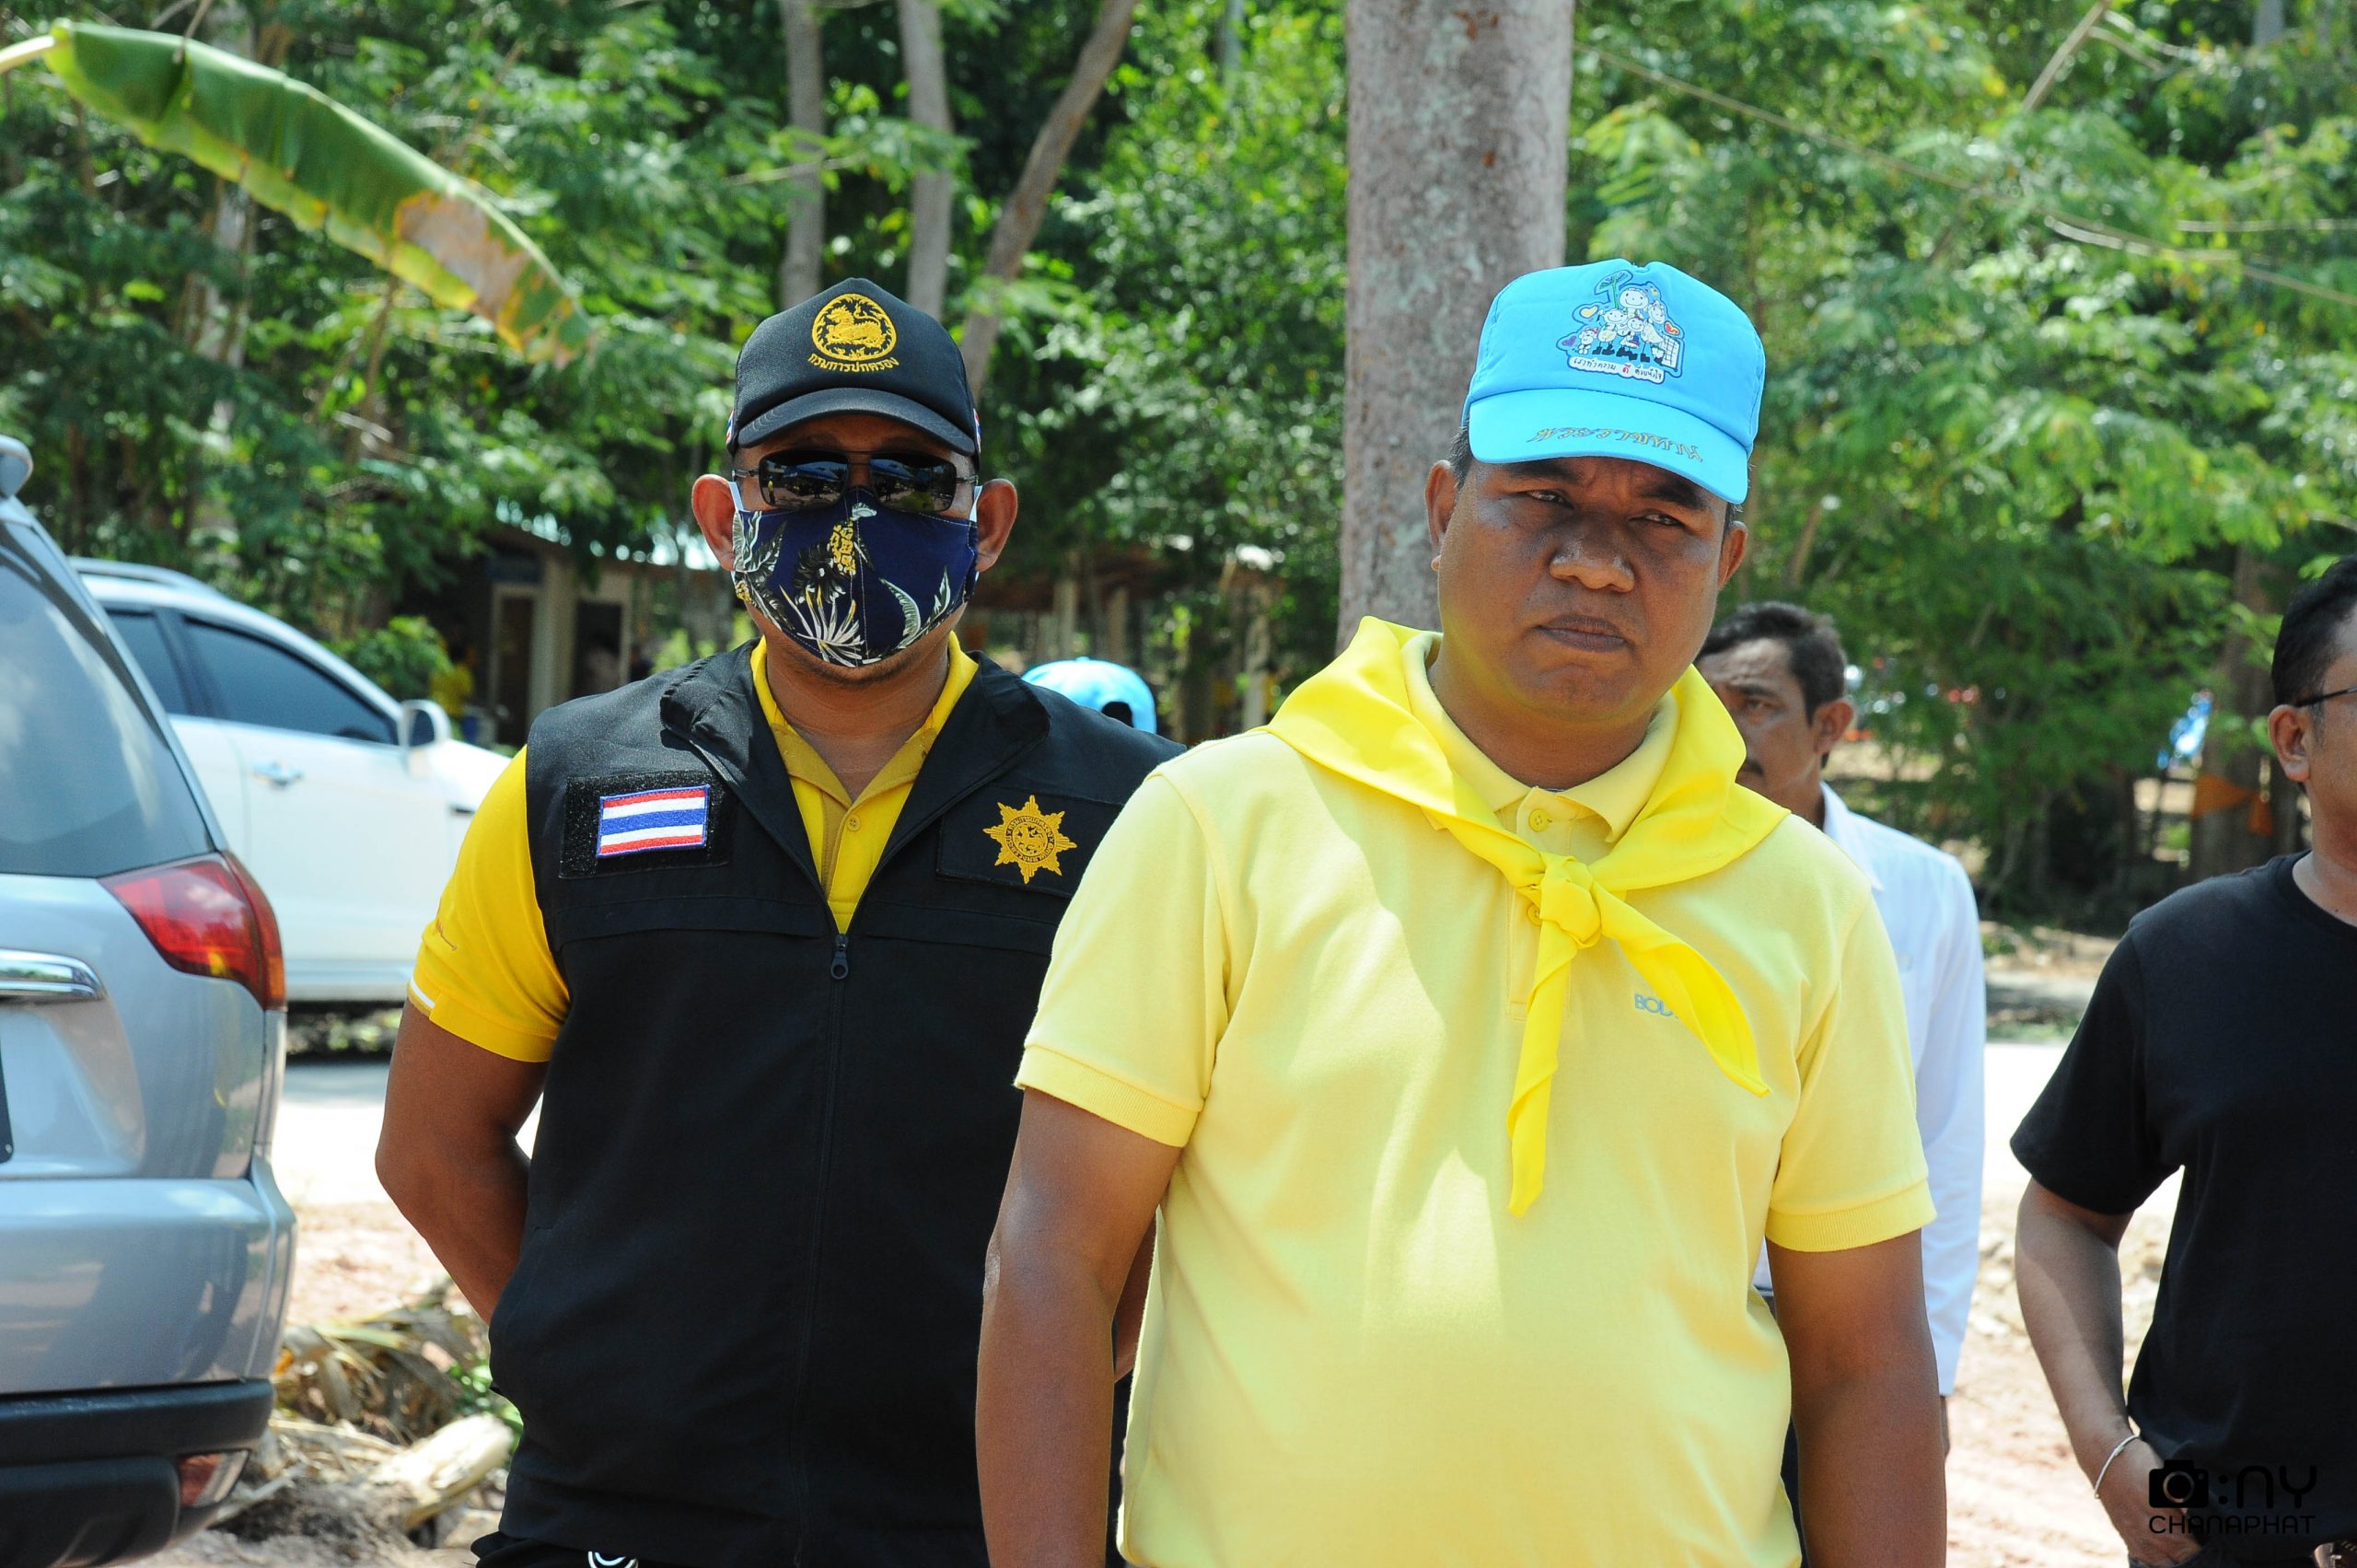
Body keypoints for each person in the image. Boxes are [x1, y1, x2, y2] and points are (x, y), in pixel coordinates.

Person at [977, 260, 1945, 1567]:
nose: (1595, 561)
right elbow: (1055, 1260)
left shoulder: (1807, 901)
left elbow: (1865, 1358)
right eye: (1544, 496)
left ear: (1726, 556)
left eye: (1663, 516)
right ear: (1443, 509)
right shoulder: (1222, 824)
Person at [374, 278, 1174, 1568]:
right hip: (617, 1518)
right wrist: (602, 1364)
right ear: (720, 516)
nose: (856, 511)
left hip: (977, 1520)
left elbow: (1174, 1198)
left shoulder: (1128, 809)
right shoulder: (575, 783)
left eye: (911, 478)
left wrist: (1061, 1380)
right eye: (801, 475)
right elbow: (431, 1145)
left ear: (985, 524)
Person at [2012, 553, 2357, 1568]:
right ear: (2294, 739)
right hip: (2232, 1539)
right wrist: (2110, 1452)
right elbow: (2064, 1215)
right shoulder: (2189, 953)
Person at [1700, 601, 1987, 1546]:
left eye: (1754, 702)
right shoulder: (1645, 877)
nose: (1723, 728)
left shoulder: (1922, 890)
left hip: (1851, 1334)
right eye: (1703, 701)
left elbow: (1945, 1139)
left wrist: (1929, 1373)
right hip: (1690, 1326)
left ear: (1831, 725)